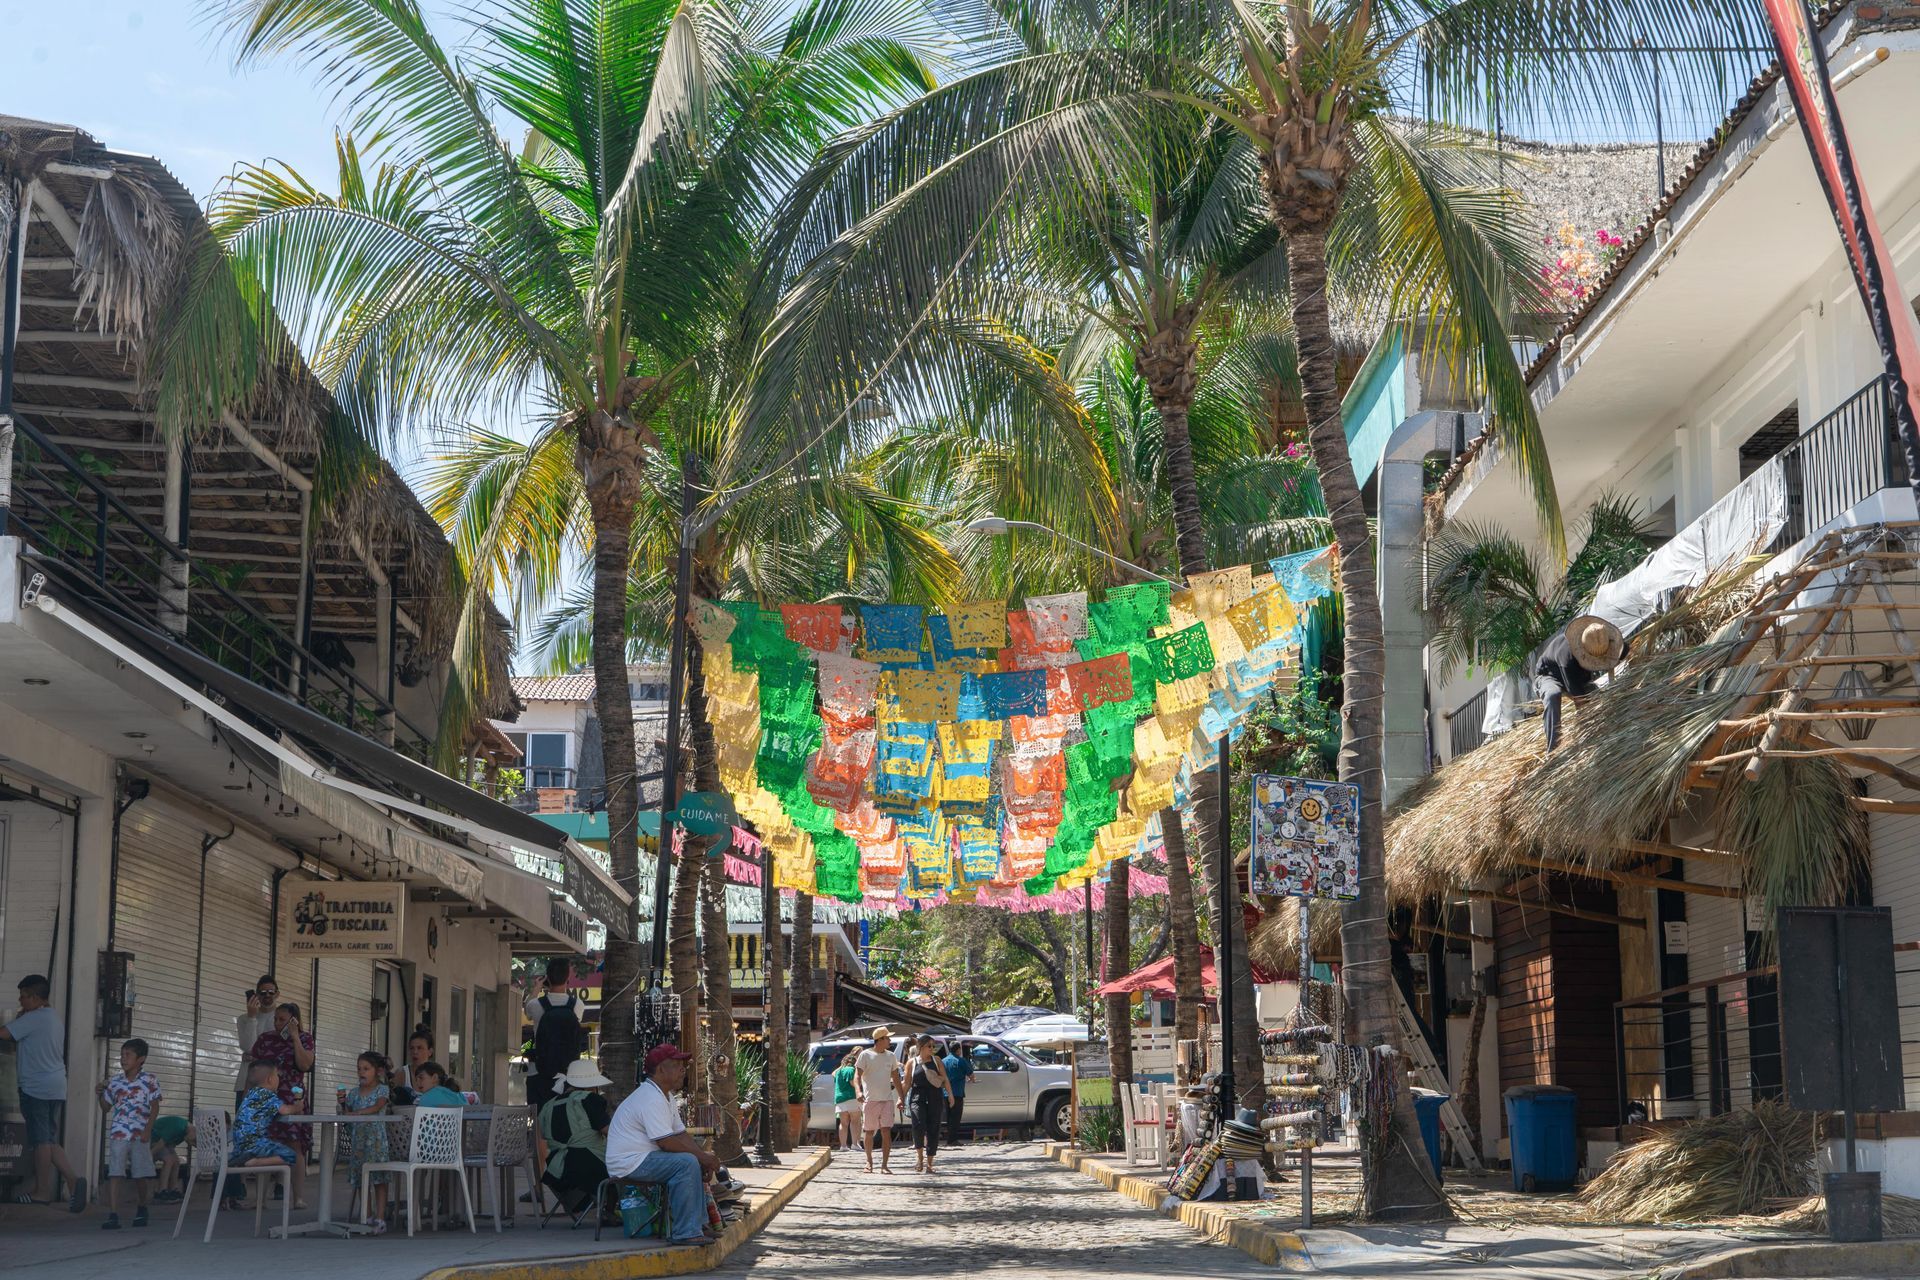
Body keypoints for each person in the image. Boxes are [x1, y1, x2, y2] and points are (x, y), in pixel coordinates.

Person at [603, 1045, 720, 1247]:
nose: (682, 1070)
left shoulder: (664, 1096)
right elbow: (665, 1142)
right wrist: (701, 1158)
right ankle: (685, 1232)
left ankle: (697, 1225)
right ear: (660, 1071)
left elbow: (680, 1134)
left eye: (683, 1065)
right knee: (687, 1162)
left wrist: (703, 1157)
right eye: (676, 1065)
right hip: (630, 1163)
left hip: (644, 1158)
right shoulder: (650, 1098)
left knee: (692, 1160)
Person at [1, 974, 84, 1210]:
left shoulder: (34, 1018)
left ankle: (42, 1191)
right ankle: (73, 1180)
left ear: (37, 997)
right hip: (55, 1085)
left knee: (40, 1142)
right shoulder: (52, 1017)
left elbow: (4, 1034)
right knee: (48, 1138)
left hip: (36, 1088)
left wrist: (18, 1020)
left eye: (24, 996)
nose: (21, 1000)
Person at [246, 1002, 315, 1209]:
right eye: (276, 1019)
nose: (277, 1023)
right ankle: (260, 1199)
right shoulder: (266, 1039)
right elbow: (253, 1070)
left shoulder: (305, 1039)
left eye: (282, 1019)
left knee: (295, 1146)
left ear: (294, 1020)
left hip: (292, 1097)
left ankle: (298, 1197)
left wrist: (294, 1037)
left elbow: (305, 1064)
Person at [524, 957, 586, 1183]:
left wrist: (536, 989)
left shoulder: (537, 1005)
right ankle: (564, 1179)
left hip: (539, 1075)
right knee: (566, 1125)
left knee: (539, 1129)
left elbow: (528, 1010)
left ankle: (540, 1182)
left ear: (548, 978)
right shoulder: (576, 1006)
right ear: (568, 979)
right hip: (567, 1076)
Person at [97, 1037, 161, 1228]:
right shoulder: (115, 1082)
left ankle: (142, 1206)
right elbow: (106, 1107)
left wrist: (148, 1130)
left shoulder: (149, 1080)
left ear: (141, 1059)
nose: (123, 1059)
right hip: (118, 1132)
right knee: (115, 1172)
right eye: (122, 1054)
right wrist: (99, 1092)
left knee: (140, 1174)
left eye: (128, 1055)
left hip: (140, 1133)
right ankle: (113, 1214)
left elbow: (154, 1107)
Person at [1534, 614, 1624, 750]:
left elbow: (1625, 650)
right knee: (1553, 695)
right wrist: (1586, 732)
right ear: (1583, 652)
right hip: (1549, 676)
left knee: (1597, 695)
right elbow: (1581, 702)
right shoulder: (1567, 658)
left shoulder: (1602, 641)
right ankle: (1553, 749)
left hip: (1579, 677)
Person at [539, 1058, 613, 1215]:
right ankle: (611, 1211)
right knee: (624, 1167)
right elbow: (610, 1133)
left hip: (556, 1173)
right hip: (588, 1170)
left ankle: (585, 1205)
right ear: (593, 1084)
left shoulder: (548, 1105)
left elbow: (541, 1139)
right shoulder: (590, 1100)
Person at [339, 1051, 393, 1233]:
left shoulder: (382, 1090)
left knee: (379, 1179)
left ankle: (380, 1217)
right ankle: (367, 1215)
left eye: (366, 1069)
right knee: (362, 1179)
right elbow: (347, 1111)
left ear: (377, 1071)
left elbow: (378, 1106)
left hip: (376, 1141)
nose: (361, 1072)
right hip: (359, 1142)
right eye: (359, 1069)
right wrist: (343, 1104)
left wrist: (359, 1113)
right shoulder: (354, 1093)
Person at [231, 1061, 299, 1177]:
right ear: (270, 1080)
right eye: (277, 1075)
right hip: (255, 1144)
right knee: (291, 1155)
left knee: (270, 1145)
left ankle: (254, 1161)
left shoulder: (250, 1094)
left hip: (239, 1145)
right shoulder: (268, 1095)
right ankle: (257, 1163)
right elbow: (284, 1110)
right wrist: (298, 1107)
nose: (279, 1078)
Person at [853, 1027, 904, 1175]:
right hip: (870, 1100)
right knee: (869, 1132)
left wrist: (901, 1097)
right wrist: (858, 1091)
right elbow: (857, 1076)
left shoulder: (891, 1056)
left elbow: (895, 1078)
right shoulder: (865, 1055)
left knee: (886, 1131)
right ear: (880, 1040)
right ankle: (869, 1162)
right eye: (887, 1038)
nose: (890, 1040)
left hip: (887, 1100)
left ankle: (884, 1165)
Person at [905, 1036, 954, 1174]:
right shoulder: (911, 1063)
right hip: (917, 1097)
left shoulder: (936, 1060)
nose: (932, 1049)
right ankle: (920, 1158)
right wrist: (900, 1099)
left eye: (934, 1046)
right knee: (918, 1125)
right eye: (929, 1046)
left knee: (934, 1128)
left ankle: (930, 1163)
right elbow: (907, 1083)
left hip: (935, 1097)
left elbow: (945, 1079)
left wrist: (950, 1095)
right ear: (921, 1047)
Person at [234, 976, 279, 1110]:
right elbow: (249, 1047)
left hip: (272, 1083)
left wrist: (258, 1057)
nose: (267, 996)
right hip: (246, 1082)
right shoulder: (244, 1019)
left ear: (277, 994)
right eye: (263, 992)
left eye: (271, 992)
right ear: (256, 995)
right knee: (244, 1125)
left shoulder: (282, 1018)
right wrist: (252, 1017)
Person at [940, 1041, 973, 1145]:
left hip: (945, 1093)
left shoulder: (943, 1061)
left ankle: (948, 1138)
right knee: (955, 1117)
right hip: (957, 1093)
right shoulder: (961, 1061)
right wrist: (970, 1079)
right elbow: (971, 1075)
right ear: (958, 1049)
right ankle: (952, 1139)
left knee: (948, 1117)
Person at [389, 1029, 434, 1105]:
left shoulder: (437, 1074)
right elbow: (391, 1101)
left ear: (430, 1052)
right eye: (412, 1048)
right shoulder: (401, 1073)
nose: (415, 1052)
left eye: (419, 1048)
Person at [150, 1114, 189, 1202]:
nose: (192, 1144)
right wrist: (148, 1156)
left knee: (176, 1161)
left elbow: (171, 1144)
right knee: (169, 1160)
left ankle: (173, 1189)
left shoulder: (184, 1132)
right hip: (152, 1138)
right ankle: (161, 1191)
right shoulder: (179, 1127)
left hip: (161, 1141)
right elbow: (162, 1143)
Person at [831, 1049, 861, 1151]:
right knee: (855, 1122)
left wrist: (841, 1064)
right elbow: (853, 1083)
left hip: (839, 1099)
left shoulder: (838, 1071)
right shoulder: (851, 1070)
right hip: (851, 1098)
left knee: (843, 1123)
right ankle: (854, 1144)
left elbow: (833, 1074)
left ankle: (843, 1146)